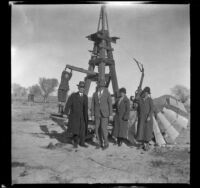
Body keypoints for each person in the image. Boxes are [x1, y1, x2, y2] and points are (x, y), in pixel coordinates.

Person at [64, 81, 88, 148]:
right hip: (75, 116)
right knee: (75, 130)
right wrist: (65, 113)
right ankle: (75, 143)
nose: (82, 89)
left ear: (84, 89)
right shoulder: (73, 95)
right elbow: (68, 104)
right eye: (81, 87)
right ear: (78, 88)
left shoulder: (85, 97)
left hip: (82, 116)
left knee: (83, 129)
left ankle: (82, 143)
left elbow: (86, 108)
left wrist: (86, 116)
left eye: (83, 87)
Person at [91, 80, 113, 150]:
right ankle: (99, 143)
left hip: (105, 114)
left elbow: (110, 104)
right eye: (100, 86)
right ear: (98, 86)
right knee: (97, 129)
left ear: (104, 86)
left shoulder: (107, 93)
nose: (101, 87)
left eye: (102, 86)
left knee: (103, 129)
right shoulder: (95, 94)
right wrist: (92, 114)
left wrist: (111, 114)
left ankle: (106, 143)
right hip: (97, 114)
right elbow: (92, 104)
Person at [135, 86, 154, 151]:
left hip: (147, 118)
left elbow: (152, 109)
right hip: (141, 117)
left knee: (147, 131)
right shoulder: (140, 99)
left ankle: (147, 145)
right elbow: (138, 109)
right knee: (140, 130)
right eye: (145, 92)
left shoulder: (150, 100)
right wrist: (137, 116)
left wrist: (149, 116)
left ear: (148, 93)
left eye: (147, 92)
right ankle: (141, 144)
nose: (145, 93)